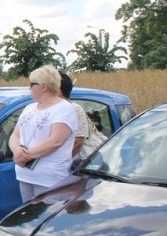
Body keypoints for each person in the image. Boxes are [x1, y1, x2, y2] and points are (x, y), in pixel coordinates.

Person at [9, 66, 77, 202]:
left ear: (43, 87)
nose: (29, 88)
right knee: (29, 218)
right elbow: (15, 135)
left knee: (47, 219)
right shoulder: (29, 108)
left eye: (32, 84)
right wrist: (17, 151)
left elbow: (55, 141)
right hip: (25, 175)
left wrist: (24, 156)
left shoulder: (65, 109)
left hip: (49, 179)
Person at [58, 71, 107, 160]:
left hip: (76, 165)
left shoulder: (73, 109)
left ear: (58, 91)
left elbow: (78, 142)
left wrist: (60, 161)